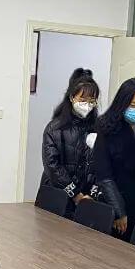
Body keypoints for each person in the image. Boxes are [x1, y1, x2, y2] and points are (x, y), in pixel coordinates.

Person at [93, 78, 135, 239]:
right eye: (133, 105)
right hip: (114, 203)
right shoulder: (106, 128)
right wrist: (119, 212)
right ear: (122, 104)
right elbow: (104, 175)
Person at [40, 68, 100, 214]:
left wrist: (92, 194)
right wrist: (75, 194)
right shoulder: (55, 128)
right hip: (57, 197)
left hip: (87, 200)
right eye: (83, 100)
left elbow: (103, 166)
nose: (87, 105)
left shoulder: (98, 128)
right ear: (72, 97)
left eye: (91, 101)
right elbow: (52, 166)